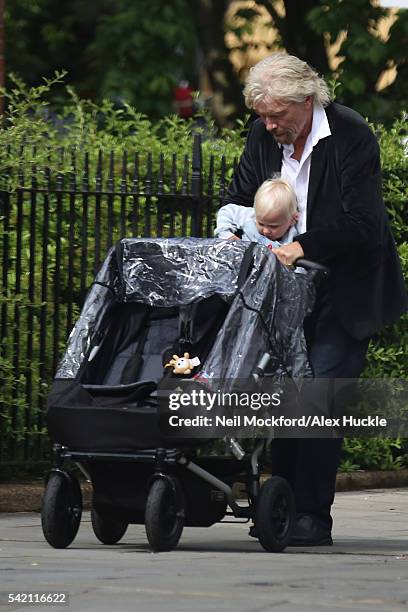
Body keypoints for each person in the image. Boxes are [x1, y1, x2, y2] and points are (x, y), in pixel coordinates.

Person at [227, 52, 407, 546]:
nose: (269, 125)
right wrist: (234, 233)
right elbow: (243, 195)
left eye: (278, 115)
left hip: (345, 291)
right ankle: (281, 507)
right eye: (263, 115)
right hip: (286, 293)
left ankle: (311, 516)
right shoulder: (262, 132)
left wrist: (302, 246)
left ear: (307, 101)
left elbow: (364, 226)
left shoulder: (350, 135)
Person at [214, 177, 299, 248]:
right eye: (261, 224)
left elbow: (298, 264)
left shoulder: (292, 239)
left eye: (273, 226)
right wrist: (226, 235)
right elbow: (227, 211)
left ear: (292, 220)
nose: (265, 231)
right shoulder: (250, 216)